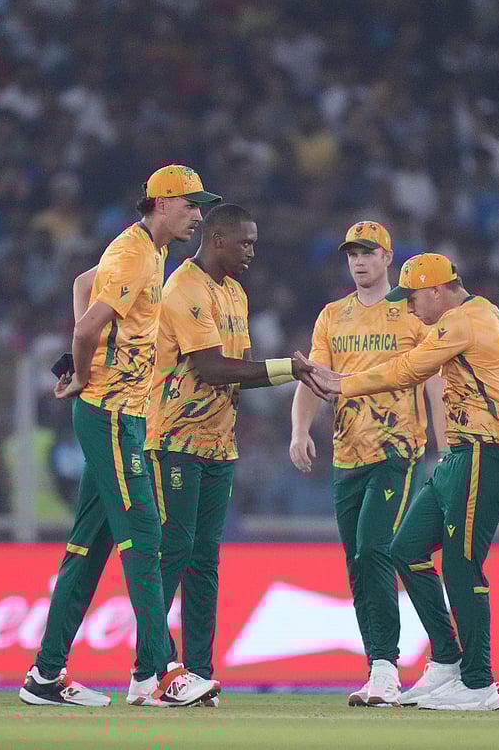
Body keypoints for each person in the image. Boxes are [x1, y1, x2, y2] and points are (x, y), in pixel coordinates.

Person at [298, 253, 499, 712]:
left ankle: (478, 683)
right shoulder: (479, 312)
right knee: (405, 549)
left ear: (436, 290)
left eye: (412, 299)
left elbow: (408, 369)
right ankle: (448, 661)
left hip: (485, 456)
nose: (409, 309)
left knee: (461, 566)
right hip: (461, 455)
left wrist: (342, 385)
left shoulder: (462, 322)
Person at [20, 165, 222, 708]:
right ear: (160, 203)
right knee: (146, 536)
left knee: (89, 548)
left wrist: (89, 372)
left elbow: (82, 286)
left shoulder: (147, 250)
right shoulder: (135, 255)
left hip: (118, 414)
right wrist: (84, 374)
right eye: (191, 205)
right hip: (111, 414)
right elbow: (86, 327)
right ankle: (159, 673)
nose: (199, 215)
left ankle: (44, 674)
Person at [142, 202, 323, 706]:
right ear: (217, 239)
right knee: (172, 556)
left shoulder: (235, 294)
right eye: (244, 242)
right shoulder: (184, 290)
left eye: (254, 242)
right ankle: (152, 670)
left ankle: (198, 673)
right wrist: (291, 368)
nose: (251, 251)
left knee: (204, 562)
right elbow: (213, 369)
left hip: (218, 445)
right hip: (174, 441)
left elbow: (237, 370)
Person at [288, 222, 447, 707]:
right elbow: (313, 376)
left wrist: (444, 450)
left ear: (387, 258)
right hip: (346, 455)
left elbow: (435, 380)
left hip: (397, 452)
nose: (359, 261)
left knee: (375, 549)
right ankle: (393, 663)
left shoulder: (412, 313)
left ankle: (386, 669)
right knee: (358, 562)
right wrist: (299, 430)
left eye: (368, 253)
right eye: (352, 254)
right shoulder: (332, 317)